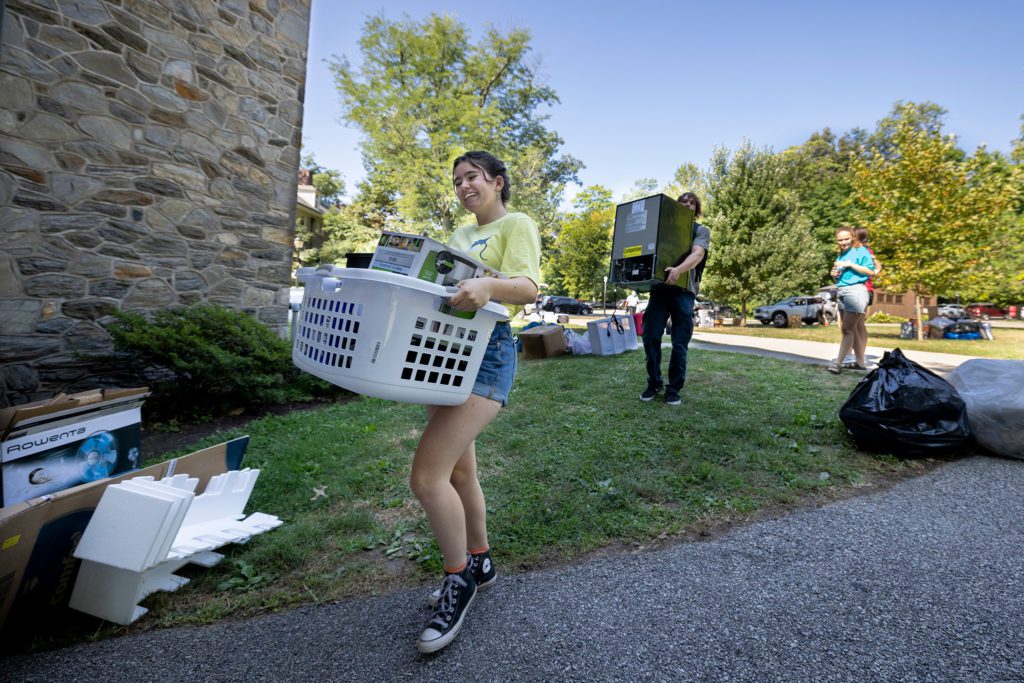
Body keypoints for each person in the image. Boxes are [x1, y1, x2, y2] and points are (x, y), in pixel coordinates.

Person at [410, 151, 541, 654]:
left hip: (488, 356)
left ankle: (458, 578)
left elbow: (526, 288)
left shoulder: (516, 224)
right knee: (459, 474)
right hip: (444, 356)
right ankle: (480, 560)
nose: (465, 186)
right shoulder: (458, 238)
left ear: (497, 182)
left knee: (426, 478)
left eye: (474, 177)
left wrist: (488, 284)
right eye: (458, 180)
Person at [640, 192, 711, 406]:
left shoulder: (701, 231)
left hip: (684, 293)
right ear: (676, 206)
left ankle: (674, 388)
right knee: (650, 336)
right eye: (683, 202)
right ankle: (654, 382)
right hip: (660, 290)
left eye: (692, 203)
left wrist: (679, 270)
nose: (687, 204)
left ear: (696, 209)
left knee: (679, 343)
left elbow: (697, 254)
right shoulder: (663, 230)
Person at [827, 227, 876, 374]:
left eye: (846, 238)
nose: (843, 242)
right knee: (851, 329)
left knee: (847, 329)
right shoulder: (842, 254)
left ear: (853, 237)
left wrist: (851, 264)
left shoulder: (861, 251)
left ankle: (838, 363)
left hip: (856, 292)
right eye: (840, 240)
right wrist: (834, 274)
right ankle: (860, 363)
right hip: (842, 291)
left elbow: (871, 271)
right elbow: (840, 276)